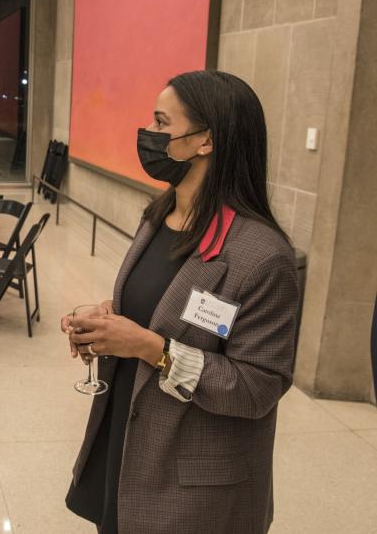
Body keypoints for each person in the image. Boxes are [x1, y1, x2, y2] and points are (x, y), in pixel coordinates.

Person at [62, 70, 299, 534]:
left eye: (160, 123)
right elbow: (155, 310)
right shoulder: (160, 215)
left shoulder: (263, 257)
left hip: (192, 486)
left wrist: (152, 348)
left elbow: (257, 388)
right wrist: (105, 323)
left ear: (204, 141)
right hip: (128, 445)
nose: (148, 135)